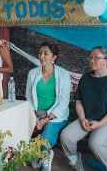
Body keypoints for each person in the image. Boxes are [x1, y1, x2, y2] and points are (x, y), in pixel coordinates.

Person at [60, 46, 107, 171]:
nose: (92, 60)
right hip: (88, 118)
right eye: (90, 57)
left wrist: (99, 123)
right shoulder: (85, 78)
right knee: (66, 136)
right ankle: (75, 162)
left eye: (96, 57)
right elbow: (79, 101)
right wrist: (83, 118)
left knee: (95, 143)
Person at [26, 42, 71, 171]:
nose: (42, 56)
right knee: (19, 133)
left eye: (46, 53)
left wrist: (47, 119)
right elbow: (29, 97)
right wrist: (34, 116)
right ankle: (38, 154)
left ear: (54, 57)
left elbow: (63, 102)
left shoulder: (63, 74)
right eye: (40, 53)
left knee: (46, 140)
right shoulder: (33, 73)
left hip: (56, 114)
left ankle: (44, 154)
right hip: (36, 112)